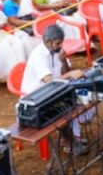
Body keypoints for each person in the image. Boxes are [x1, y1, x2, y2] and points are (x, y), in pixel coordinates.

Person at [21, 24, 89, 153]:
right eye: (58, 43)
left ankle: (73, 138)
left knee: (72, 101)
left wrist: (63, 61)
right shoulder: (38, 55)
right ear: (48, 42)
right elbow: (50, 82)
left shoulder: (57, 51)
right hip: (33, 101)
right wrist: (69, 74)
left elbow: (65, 75)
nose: (61, 46)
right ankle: (69, 142)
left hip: (50, 93)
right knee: (61, 108)